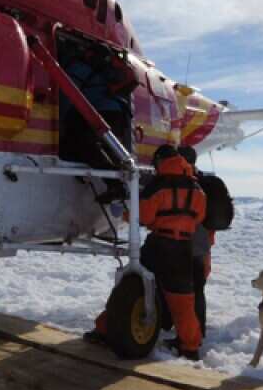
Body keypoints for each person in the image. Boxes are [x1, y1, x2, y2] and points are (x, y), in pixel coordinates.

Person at [87, 145, 207, 359]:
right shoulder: (196, 188)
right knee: (183, 300)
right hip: (183, 248)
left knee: (131, 285)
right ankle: (190, 347)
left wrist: (123, 213)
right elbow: (199, 216)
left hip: (159, 244)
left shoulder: (157, 185)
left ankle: (105, 330)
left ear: (160, 161)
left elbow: (143, 216)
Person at [179, 146, 216, 339]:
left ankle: (188, 334)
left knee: (181, 289)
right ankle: (198, 330)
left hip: (184, 241)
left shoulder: (182, 182)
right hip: (203, 242)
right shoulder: (206, 182)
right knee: (197, 290)